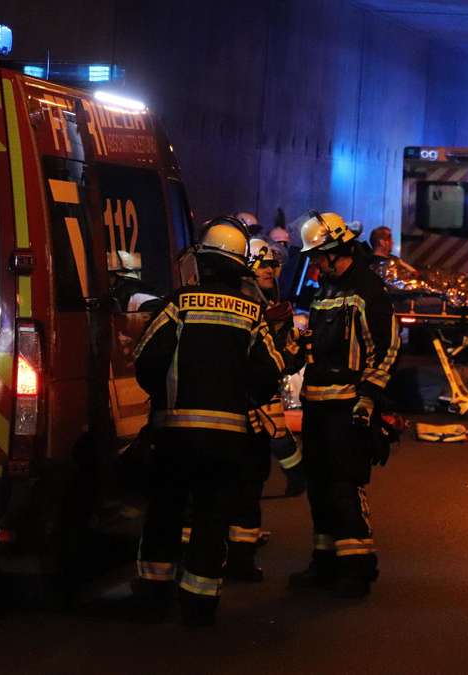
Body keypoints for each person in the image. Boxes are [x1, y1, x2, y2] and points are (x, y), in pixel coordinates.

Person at [131, 217, 284, 626]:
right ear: (239, 268)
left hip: (174, 434)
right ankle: (199, 604)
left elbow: (145, 360)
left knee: (165, 510)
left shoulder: (178, 304)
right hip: (227, 440)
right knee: (212, 517)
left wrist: (166, 398)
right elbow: (271, 374)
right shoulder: (253, 313)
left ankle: (152, 594)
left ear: (203, 262)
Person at [290, 211, 399, 599]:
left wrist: (368, 398)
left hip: (349, 408)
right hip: (317, 406)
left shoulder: (367, 291)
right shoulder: (325, 291)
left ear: (339, 250)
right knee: (318, 485)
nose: (316, 265)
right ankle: (325, 563)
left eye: (320, 257)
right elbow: (318, 345)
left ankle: (357, 568)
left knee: (343, 486)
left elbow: (386, 350)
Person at [222, 238, 307, 583]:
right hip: (235, 405)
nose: (270, 270)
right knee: (232, 479)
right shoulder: (239, 300)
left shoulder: (270, 300)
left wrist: (296, 346)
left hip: (261, 397)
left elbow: (283, 358)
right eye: (263, 264)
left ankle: (240, 552)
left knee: (250, 479)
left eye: (273, 265)